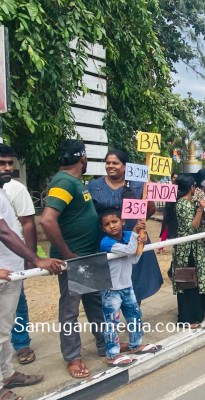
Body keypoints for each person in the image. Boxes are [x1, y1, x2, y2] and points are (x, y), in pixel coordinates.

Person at [0, 144, 64, 399]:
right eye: (1, 163)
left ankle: (6, 374)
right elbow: (3, 231)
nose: (7, 168)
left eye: (9, 163)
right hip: (2, 272)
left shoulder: (3, 191)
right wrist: (36, 258)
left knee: (4, 330)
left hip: (10, 271)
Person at [40, 139, 106, 379]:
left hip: (88, 257)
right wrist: (67, 255)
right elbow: (47, 220)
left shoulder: (75, 182)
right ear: (83, 158)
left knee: (95, 304)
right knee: (70, 311)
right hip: (75, 259)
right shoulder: (64, 182)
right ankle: (73, 357)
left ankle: (104, 345)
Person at [88, 149, 163, 303]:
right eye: (108, 163)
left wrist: (138, 224)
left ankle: (134, 315)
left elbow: (150, 208)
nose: (110, 166)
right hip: (107, 240)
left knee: (135, 278)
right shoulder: (94, 185)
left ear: (124, 166)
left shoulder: (138, 185)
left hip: (132, 237)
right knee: (109, 279)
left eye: (115, 163)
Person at [98, 209, 161, 367]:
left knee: (135, 315)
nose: (112, 226)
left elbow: (133, 258)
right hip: (111, 289)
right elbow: (128, 250)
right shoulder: (105, 242)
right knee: (112, 322)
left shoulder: (127, 235)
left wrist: (140, 241)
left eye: (115, 221)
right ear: (103, 228)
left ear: (122, 221)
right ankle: (112, 355)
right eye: (107, 224)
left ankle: (135, 344)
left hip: (127, 286)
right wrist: (135, 235)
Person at [4, 178, 37, 365]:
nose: (6, 168)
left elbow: (27, 223)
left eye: (9, 163)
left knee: (17, 303)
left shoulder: (15, 188)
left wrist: (30, 256)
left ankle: (21, 342)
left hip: (11, 259)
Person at [170, 175, 205, 328]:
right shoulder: (182, 204)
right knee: (187, 281)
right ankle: (187, 318)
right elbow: (192, 227)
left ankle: (196, 314)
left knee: (195, 281)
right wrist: (200, 209)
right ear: (191, 187)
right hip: (187, 249)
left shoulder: (190, 202)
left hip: (195, 247)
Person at [158, 172, 178, 254]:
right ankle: (160, 247)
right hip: (169, 212)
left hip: (176, 212)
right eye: (173, 177)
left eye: (176, 177)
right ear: (171, 178)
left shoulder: (181, 189)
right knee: (166, 230)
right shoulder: (169, 188)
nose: (175, 179)